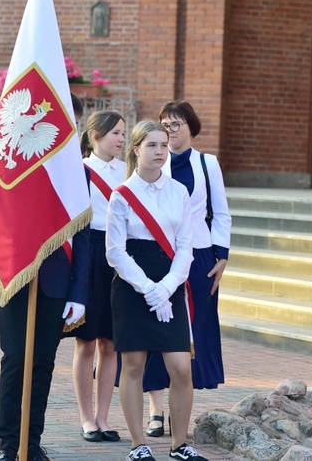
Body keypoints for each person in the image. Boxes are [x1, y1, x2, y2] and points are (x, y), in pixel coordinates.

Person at [106, 119, 207, 461]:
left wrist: (165, 288)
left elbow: (185, 247)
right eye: (151, 145)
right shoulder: (121, 195)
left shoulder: (179, 192)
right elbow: (115, 251)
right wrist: (148, 289)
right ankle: (139, 445)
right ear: (136, 149)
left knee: (181, 368)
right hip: (134, 284)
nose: (160, 151)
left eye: (164, 145)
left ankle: (180, 445)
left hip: (170, 283)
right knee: (133, 365)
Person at [143, 101, 232, 437]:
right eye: (165, 123)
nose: (170, 130)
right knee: (156, 329)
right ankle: (155, 409)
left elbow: (221, 213)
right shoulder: (153, 164)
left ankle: (182, 411)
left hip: (200, 258)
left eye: (177, 123)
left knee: (193, 333)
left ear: (191, 127)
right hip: (159, 258)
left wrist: (221, 255)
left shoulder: (208, 164)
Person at [0, 214, 90, 459]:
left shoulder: (78, 175)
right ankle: (8, 443)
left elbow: (82, 234)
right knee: (14, 359)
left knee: (43, 362)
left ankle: (31, 442)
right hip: (14, 273)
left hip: (56, 277)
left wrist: (78, 293)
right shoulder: (12, 172)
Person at [64, 111, 126, 443]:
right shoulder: (80, 171)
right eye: (115, 133)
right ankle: (86, 418)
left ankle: (104, 417)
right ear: (96, 135)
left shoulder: (127, 172)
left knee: (111, 344)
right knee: (86, 342)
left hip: (118, 256)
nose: (121, 139)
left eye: (123, 133)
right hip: (88, 254)